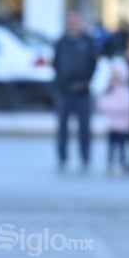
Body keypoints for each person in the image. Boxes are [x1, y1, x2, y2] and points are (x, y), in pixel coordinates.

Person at [53, 10, 99, 171]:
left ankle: (85, 157)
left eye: (75, 21)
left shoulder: (88, 41)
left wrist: (86, 82)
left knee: (84, 127)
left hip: (82, 92)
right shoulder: (61, 42)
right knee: (62, 127)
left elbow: (94, 63)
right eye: (70, 21)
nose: (73, 24)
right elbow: (56, 63)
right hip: (64, 92)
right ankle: (62, 158)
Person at [96, 32, 129, 174]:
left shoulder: (115, 64)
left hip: (121, 110)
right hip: (116, 110)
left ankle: (119, 161)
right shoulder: (117, 65)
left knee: (119, 139)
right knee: (115, 138)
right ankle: (114, 161)